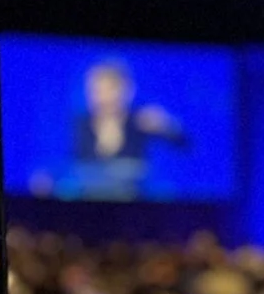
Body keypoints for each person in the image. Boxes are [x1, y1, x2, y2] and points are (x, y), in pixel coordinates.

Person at [69, 59, 187, 200]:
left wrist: (166, 125)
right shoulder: (81, 123)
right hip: (88, 199)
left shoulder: (140, 120)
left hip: (135, 200)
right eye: (95, 91)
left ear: (126, 90)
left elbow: (183, 143)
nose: (102, 98)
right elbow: (70, 164)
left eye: (108, 90)